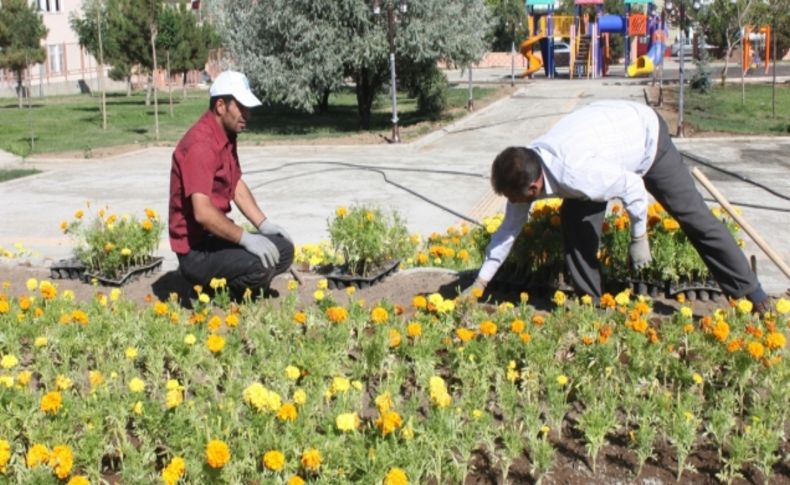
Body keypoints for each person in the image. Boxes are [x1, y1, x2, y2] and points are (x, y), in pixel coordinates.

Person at [469, 100, 770, 313]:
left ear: (534, 187)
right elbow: (509, 229)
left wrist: (639, 239)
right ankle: (591, 305)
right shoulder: (528, 167)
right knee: (575, 220)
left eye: (515, 199)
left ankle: (752, 294)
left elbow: (633, 188)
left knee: (693, 217)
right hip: (605, 144)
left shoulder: (576, 173)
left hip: (646, 139)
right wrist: (480, 283)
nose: (513, 204)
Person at [169, 70, 294, 300]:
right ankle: (207, 291)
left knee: (283, 249)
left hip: (216, 238)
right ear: (220, 106)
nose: (247, 115)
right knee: (261, 266)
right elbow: (203, 213)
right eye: (241, 107)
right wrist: (245, 238)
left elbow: (235, 184)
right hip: (196, 252)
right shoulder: (201, 146)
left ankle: (235, 277)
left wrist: (263, 224)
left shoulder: (225, 135)